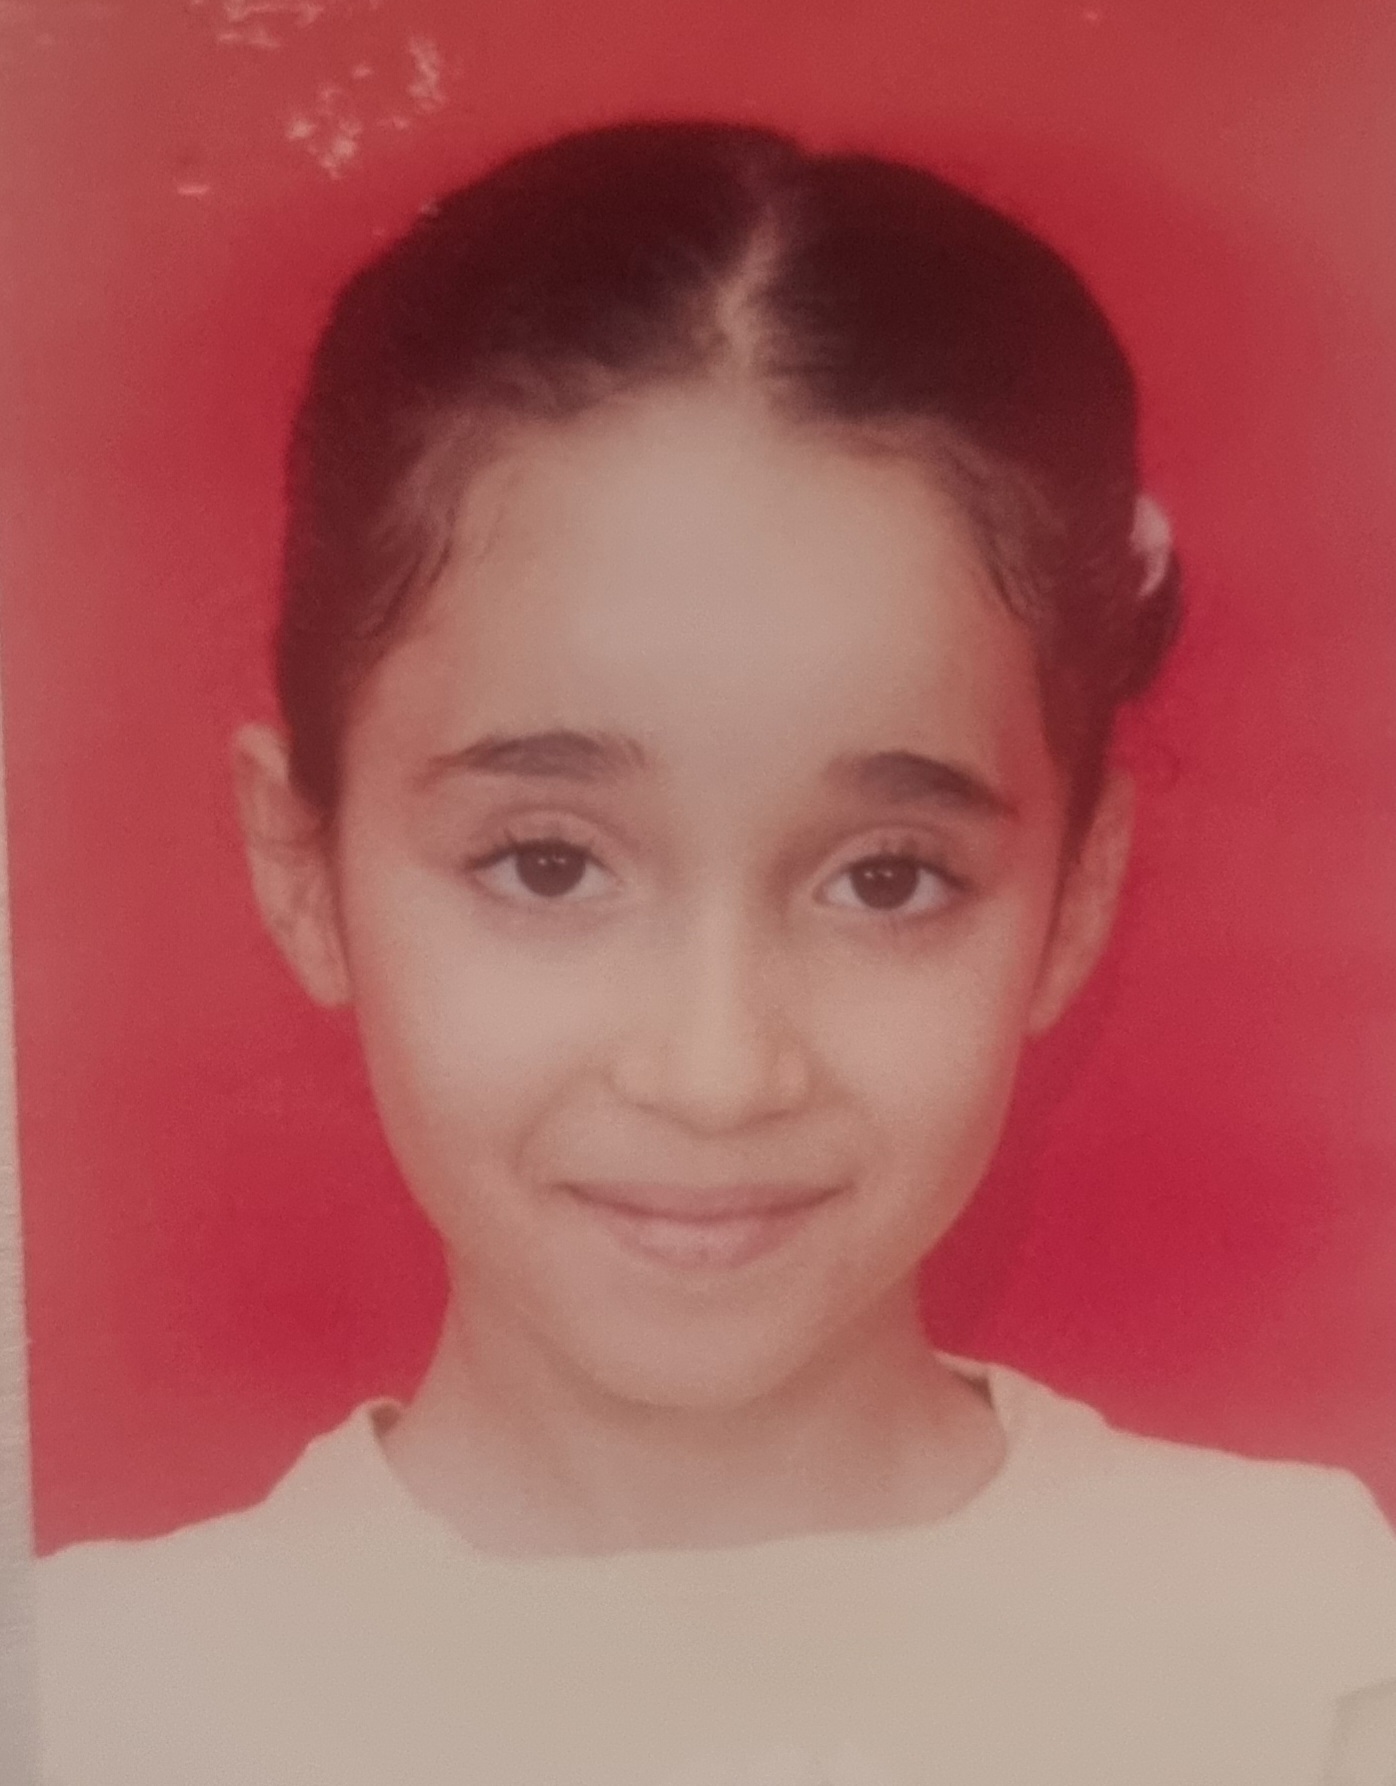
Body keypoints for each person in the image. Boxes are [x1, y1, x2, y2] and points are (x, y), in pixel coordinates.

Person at [34, 119, 1396, 1786]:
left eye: (886, 879)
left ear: (1077, 893)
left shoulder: (1310, 1670)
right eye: (548, 862)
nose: (718, 1068)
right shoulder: (91, 1710)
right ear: (302, 864)